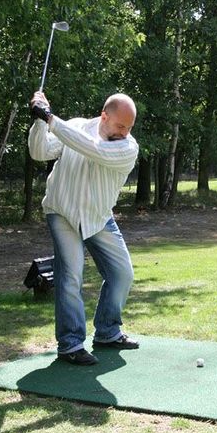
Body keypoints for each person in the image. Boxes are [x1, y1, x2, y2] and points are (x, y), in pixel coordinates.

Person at [28, 91, 140, 366]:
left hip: (99, 217)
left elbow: (94, 149)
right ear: (104, 116)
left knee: (122, 274)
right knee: (71, 276)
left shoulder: (128, 148)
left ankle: (107, 331)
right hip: (62, 212)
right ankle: (70, 344)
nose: (124, 132)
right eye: (120, 126)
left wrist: (50, 118)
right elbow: (39, 152)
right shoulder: (75, 126)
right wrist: (40, 121)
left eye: (129, 127)